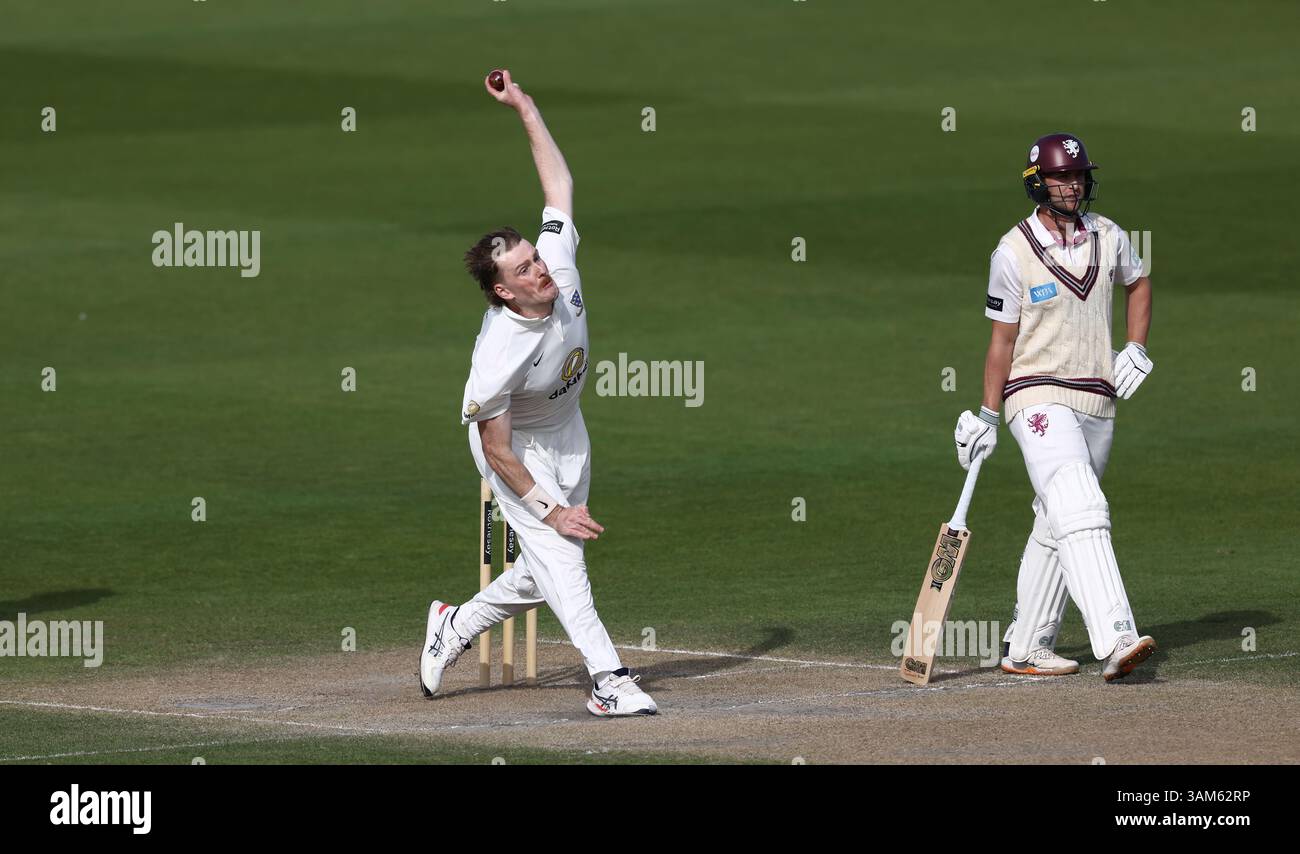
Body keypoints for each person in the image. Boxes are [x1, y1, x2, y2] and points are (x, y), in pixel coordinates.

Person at [418, 70, 656, 716]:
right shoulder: (498, 356)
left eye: (536, 257)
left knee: (548, 565)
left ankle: (455, 623)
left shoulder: (559, 264)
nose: (541, 269)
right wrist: (547, 508)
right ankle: (609, 680)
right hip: (514, 445)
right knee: (560, 551)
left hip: (567, 429)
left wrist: (524, 105)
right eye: (524, 269)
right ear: (503, 290)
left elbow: (559, 186)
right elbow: (495, 451)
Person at [955, 133, 1157, 682]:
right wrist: (987, 414)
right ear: (1037, 183)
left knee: (1056, 518)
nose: (1071, 186)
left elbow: (1139, 283)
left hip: (1097, 398)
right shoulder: (1012, 252)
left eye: (1077, 176)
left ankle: (1027, 645)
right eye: (1059, 178)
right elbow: (1001, 343)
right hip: (1035, 393)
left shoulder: (1109, 235)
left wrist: (1135, 346)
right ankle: (1116, 636)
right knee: (1081, 504)